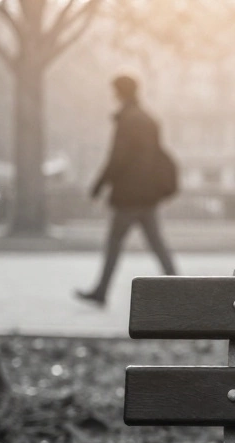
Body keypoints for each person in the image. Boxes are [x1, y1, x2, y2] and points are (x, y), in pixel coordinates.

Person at [77, 75, 178, 307]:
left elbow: (117, 158)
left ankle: (102, 291)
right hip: (148, 194)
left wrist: (98, 185)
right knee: (157, 244)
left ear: (119, 92)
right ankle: (179, 288)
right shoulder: (149, 120)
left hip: (128, 195)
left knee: (114, 243)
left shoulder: (127, 120)